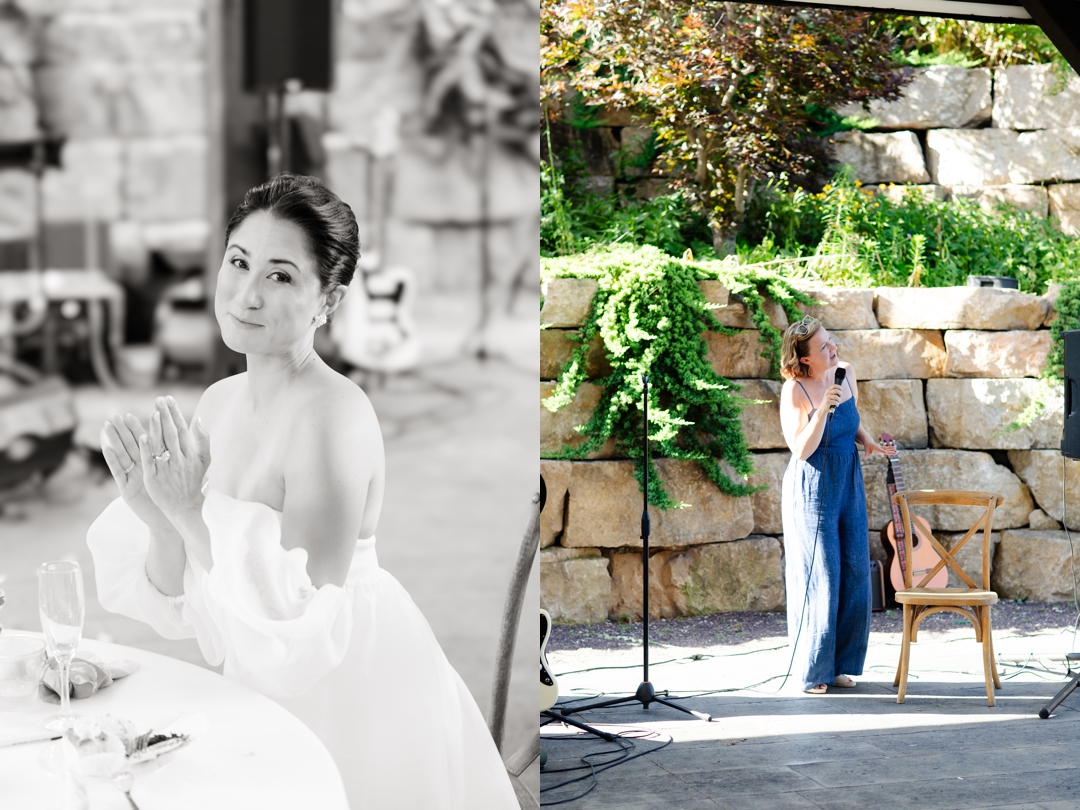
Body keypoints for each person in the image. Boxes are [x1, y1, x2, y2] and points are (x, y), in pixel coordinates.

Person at [88, 173, 517, 808]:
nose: (246, 294)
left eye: (280, 276)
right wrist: (157, 517)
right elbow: (191, 602)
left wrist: (187, 509)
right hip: (261, 678)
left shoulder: (335, 417)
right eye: (239, 262)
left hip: (350, 686)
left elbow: (298, 624)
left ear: (329, 301)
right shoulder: (217, 400)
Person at [778, 314, 895, 695]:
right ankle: (815, 670)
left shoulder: (846, 372)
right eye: (824, 346)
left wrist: (868, 441)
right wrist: (821, 412)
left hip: (848, 478)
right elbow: (801, 449)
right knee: (822, 575)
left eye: (831, 340)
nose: (833, 348)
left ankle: (842, 663)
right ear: (806, 359)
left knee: (856, 569)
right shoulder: (795, 390)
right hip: (814, 484)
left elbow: (853, 421)